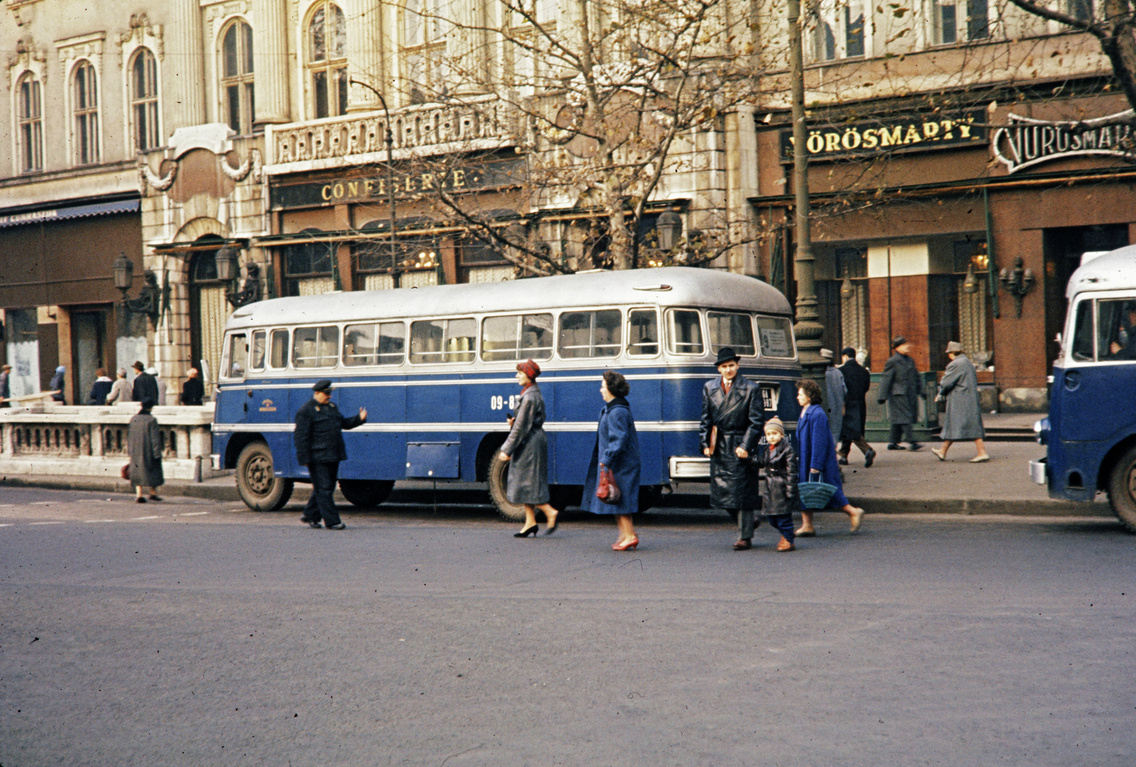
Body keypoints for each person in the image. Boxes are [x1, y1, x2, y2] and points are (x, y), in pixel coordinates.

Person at [699, 347, 764, 550]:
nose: (728, 370)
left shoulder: (751, 388)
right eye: (725, 366)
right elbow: (705, 419)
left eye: (732, 366)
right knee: (722, 492)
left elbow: (756, 422)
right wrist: (704, 443)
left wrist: (746, 445)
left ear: (737, 366)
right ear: (719, 369)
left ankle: (744, 536)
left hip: (739, 443)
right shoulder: (709, 388)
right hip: (719, 444)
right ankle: (749, 522)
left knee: (742, 491)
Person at [794, 378, 865, 536]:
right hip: (807, 459)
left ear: (810, 396)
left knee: (829, 491)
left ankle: (853, 512)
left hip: (818, 461)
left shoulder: (817, 414)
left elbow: (819, 442)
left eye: (800, 394)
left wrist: (816, 465)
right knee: (805, 491)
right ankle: (807, 525)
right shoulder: (805, 411)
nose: (797, 397)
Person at [581, 370, 642, 551]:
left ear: (611, 389)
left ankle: (630, 536)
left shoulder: (617, 412)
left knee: (620, 500)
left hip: (622, 465)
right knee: (615, 499)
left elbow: (619, 440)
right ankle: (625, 534)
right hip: (619, 463)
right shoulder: (612, 409)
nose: (600, 390)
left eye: (603, 386)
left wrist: (606, 460)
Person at [294, 379, 367, 530]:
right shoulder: (306, 411)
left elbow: (343, 423)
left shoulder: (331, 407)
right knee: (324, 488)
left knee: (325, 487)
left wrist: (359, 419)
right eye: (326, 394)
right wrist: (304, 458)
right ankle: (332, 521)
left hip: (333, 455)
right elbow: (301, 437)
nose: (329, 397)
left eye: (330, 393)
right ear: (317, 393)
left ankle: (310, 515)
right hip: (317, 457)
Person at [499, 359, 560, 537]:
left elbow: (521, 428)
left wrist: (506, 449)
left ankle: (550, 512)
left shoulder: (530, 397)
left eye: (519, 372)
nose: (516, 375)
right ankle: (530, 522)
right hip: (531, 440)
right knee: (526, 481)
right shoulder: (530, 393)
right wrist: (514, 421)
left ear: (529, 375)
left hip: (530, 443)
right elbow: (522, 423)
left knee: (527, 481)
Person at [932, 341, 990, 463]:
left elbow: (946, 382)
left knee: (962, 424)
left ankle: (982, 452)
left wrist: (941, 391)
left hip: (959, 399)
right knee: (959, 424)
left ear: (951, 353)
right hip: (969, 398)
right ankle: (942, 451)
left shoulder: (955, 364)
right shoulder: (967, 362)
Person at [755, 416, 798, 552]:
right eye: (768, 434)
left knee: (783, 516)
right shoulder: (769, 449)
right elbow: (763, 462)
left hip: (781, 485)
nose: (771, 437)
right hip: (770, 485)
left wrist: (790, 490)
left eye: (774, 433)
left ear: (781, 434)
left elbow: (791, 472)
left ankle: (788, 539)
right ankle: (786, 535)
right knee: (772, 518)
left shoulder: (787, 450)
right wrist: (750, 459)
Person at [878, 336, 923, 451]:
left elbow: (916, 376)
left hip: (909, 393)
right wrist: (882, 396)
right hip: (898, 394)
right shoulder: (892, 361)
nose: (907, 347)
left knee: (898, 419)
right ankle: (912, 441)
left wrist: (921, 390)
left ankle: (893, 442)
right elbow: (886, 378)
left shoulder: (909, 360)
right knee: (904, 417)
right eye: (904, 345)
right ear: (897, 348)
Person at [837, 347, 875, 467]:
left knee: (850, 429)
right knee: (852, 429)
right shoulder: (864, 371)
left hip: (847, 404)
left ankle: (867, 450)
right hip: (860, 404)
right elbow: (866, 388)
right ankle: (843, 455)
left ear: (845, 357)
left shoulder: (841, 371)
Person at [127, 398, 164, 503]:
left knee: (138, 472)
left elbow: (130, 436)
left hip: (136, 450)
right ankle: (153, 493)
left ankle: (139, 494)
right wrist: (157, 452)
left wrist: (130, 450)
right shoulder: (151, 420)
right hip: (148, 450)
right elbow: (155, 438)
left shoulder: (134, 419)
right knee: (154, 471)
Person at [821, 348, 845, 447]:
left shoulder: (822, 373)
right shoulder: (838, 373)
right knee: (835, 429)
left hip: (825, 406)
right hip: (837, 405)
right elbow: (844, 390)